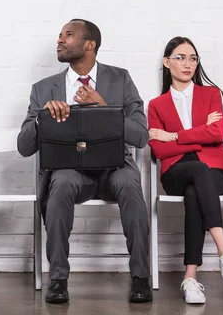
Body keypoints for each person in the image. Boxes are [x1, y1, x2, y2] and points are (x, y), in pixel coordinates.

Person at [17, 19, 152, 304]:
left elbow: (141, 136)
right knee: (61, 182)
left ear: (89, 45)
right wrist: (43, 118)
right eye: (60, 35)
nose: (60, 40)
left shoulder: (121, 79)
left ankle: (141, 277)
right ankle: (58, 280)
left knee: (130, 183)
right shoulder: (44, 89)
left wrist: (105, 107)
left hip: (114, 168)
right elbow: (24, 146)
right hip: (70, 171)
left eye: (68, 35)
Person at [147, 36, 223, 305]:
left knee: (195, 191)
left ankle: (190, 278)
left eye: (193, 58)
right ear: (167, 63)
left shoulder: (211, 94)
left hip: (214, 170)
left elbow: (218, 132)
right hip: (176, 171)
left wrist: (173, 136)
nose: (187, 64)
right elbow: (158, 150)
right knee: (196, 172)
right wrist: (197, 134)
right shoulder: (157, 104)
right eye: (180, 58)